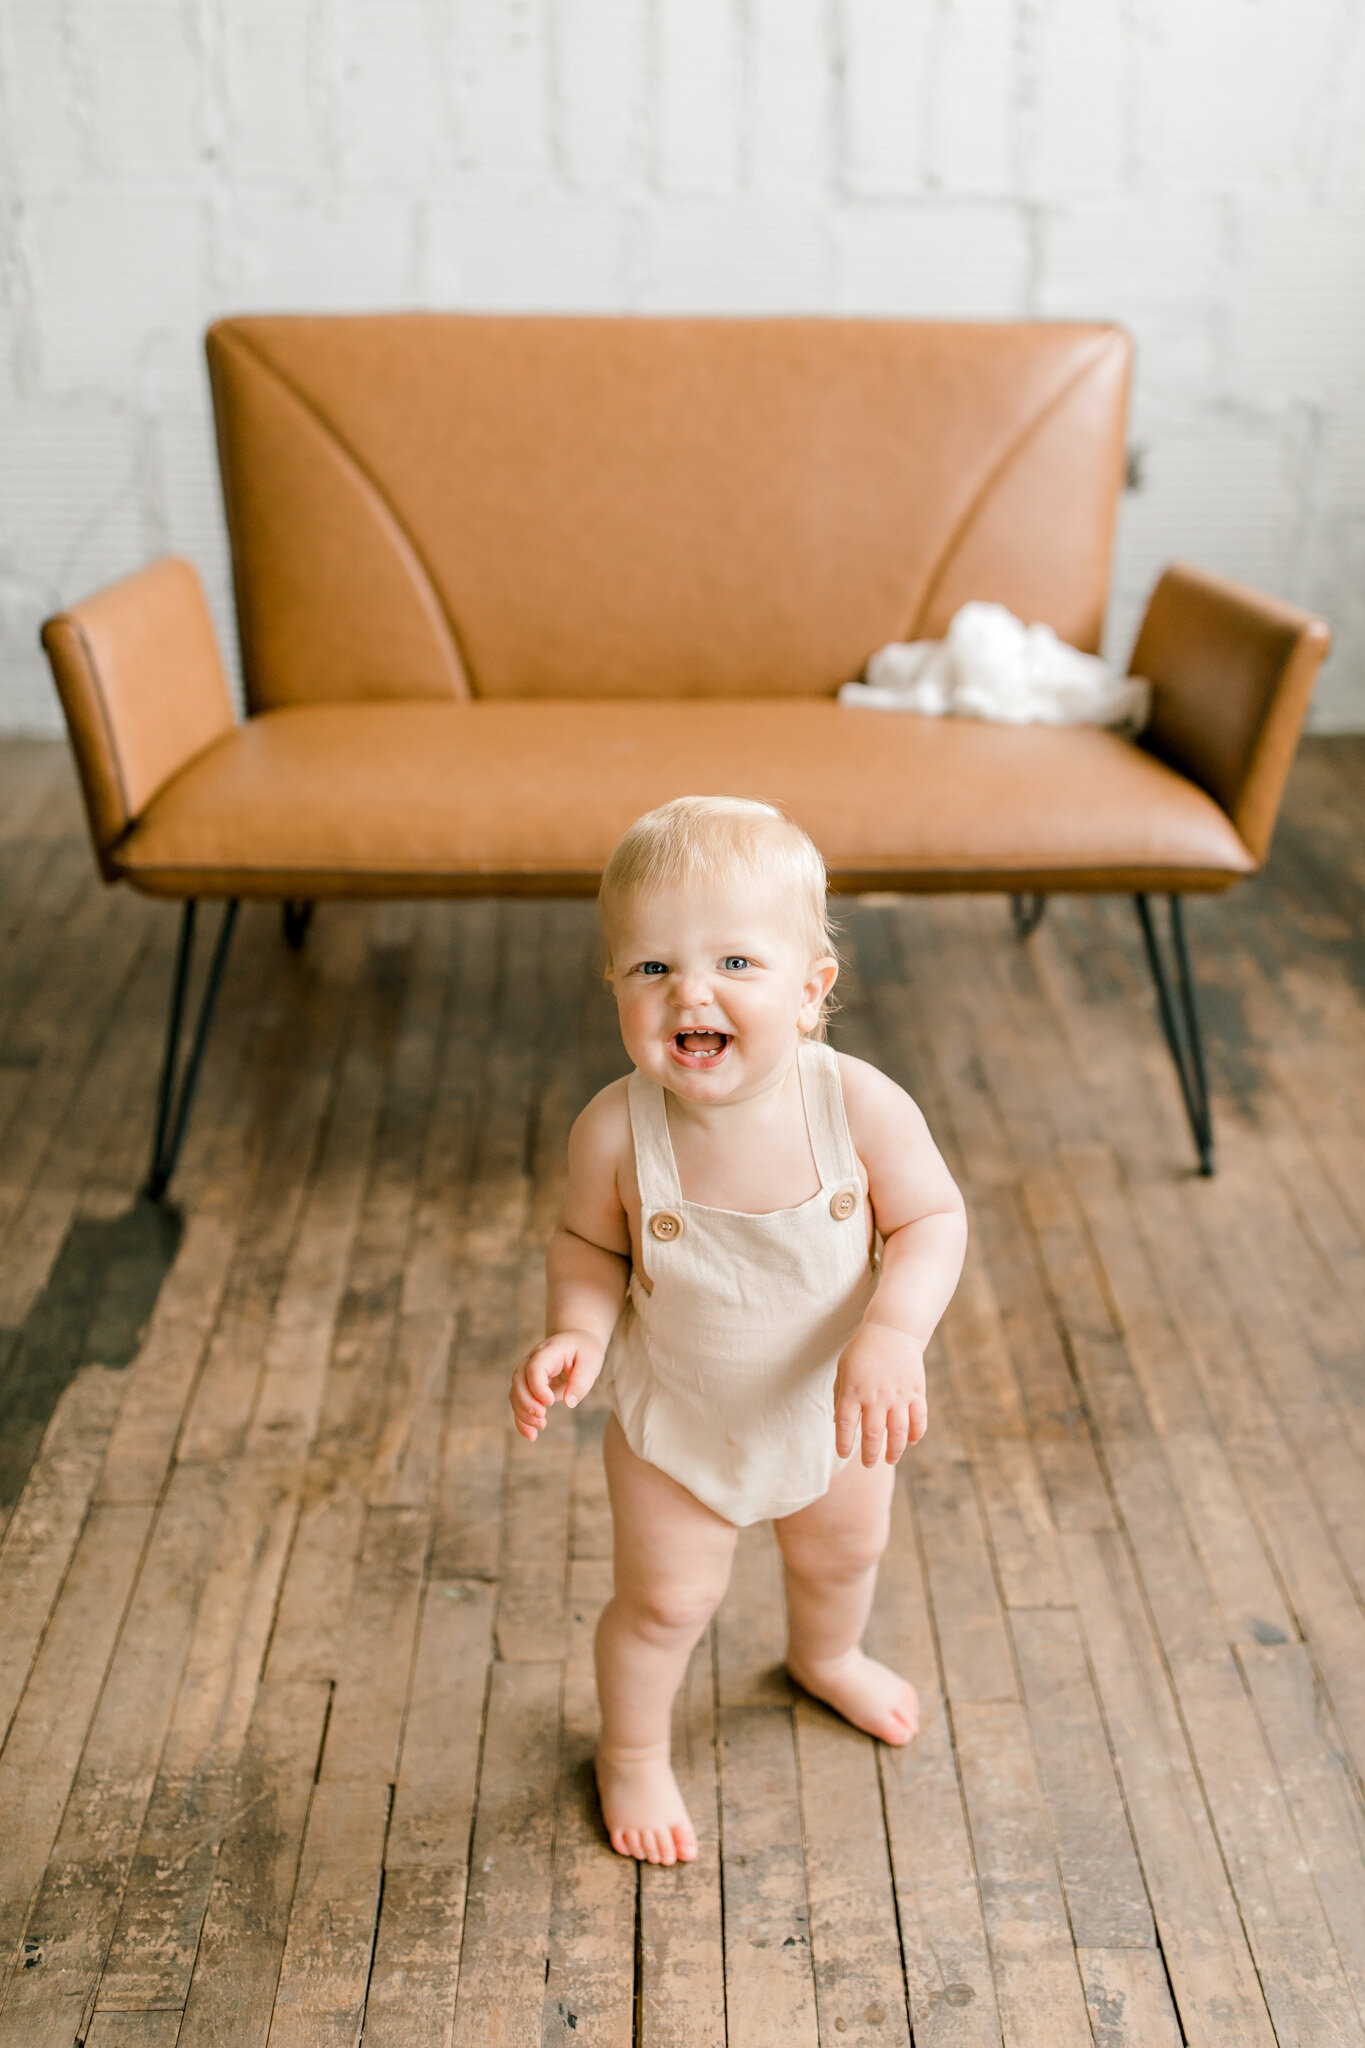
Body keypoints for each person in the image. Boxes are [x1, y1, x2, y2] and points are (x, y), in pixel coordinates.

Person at [509, 796, 967, 1867]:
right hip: (682, 1426)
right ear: (615, 985)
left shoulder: (858, 1106)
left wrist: (894, 1330)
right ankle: (630, 1747)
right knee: (665, 1600)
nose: (692, 991)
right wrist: (574, 1328)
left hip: (836, 1412)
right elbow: (588, 1244)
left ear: (812, 991)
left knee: (843, 1553)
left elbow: (934, 1219)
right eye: (652, 968)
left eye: (735, 963)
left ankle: (827, 1652)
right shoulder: (618, 1128)